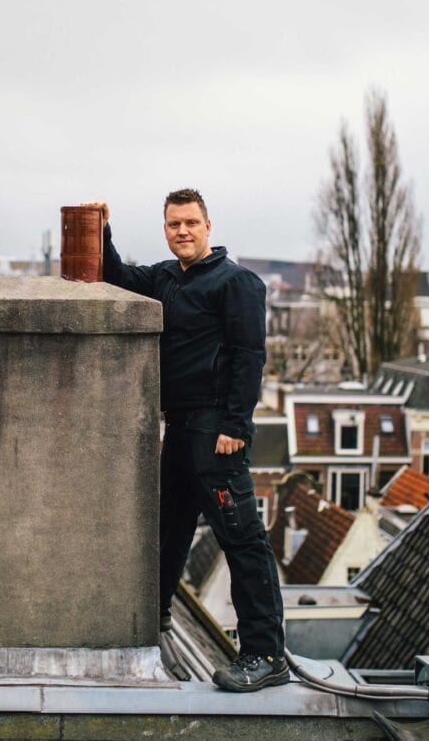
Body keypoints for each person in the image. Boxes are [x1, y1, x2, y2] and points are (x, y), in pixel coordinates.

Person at [89, 189, 288, 693]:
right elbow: (117, 279)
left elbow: (249, 357)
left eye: (191, 223)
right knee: (167, 530)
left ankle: (265, 654)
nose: (183, 231)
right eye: (174, 224)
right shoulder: (163, 278)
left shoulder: (237, 283)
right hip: (178, 429)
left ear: (208, 227)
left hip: (215, 430)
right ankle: (150, 626)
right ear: (165, 229)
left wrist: (235, 428)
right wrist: (103, 230)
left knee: (242, 541)